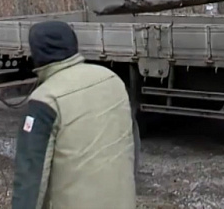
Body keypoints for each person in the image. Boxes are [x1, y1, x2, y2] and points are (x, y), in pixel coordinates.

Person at [12, 20, 137, 209]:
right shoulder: (112, 80)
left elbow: (31, 178)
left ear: (36, 54)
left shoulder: (45, 100)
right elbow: (131, 145)